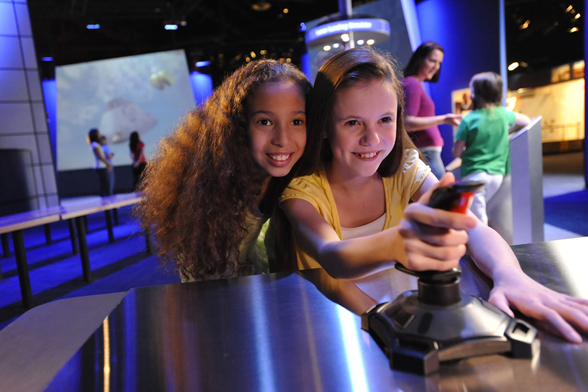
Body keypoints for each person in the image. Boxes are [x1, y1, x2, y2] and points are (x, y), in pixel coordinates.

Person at [279, 48, 588, 343]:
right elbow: (333, 257)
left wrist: (510, 275)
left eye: (385, 120)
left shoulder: (405, 170)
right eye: (352, 122)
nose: (371, 138)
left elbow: (473, 228)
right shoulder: (303, 192)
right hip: (347, 330)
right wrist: (398, 243)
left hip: (416, 320)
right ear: (323, 127)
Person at [137, 59, 311, 281]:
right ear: (237, 127)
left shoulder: (301, 178)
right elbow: (207, 291)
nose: (282, 139)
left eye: (296, 122)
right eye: (265, 122)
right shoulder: (211, 196)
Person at [453, 72, 531, 225]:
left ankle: (483, 247)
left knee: (476, 221)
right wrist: (504, 132)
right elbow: (526, 121)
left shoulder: (468, 119)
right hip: (497, 176)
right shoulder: (503, 115)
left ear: (475, 93)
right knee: (480, 216)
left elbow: (456, 152)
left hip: (473, 176)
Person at [403, 41, 462, 180]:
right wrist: (444, 119)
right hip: (426, 152)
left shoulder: (415, 84)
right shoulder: (412, 83)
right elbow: (407, 122)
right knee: (440, 197)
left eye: (439, 63)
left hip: (428, 152)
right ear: (419, 59)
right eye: (432, 60)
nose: (436, 67)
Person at [88, 128, 112, 196]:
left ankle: (106, 201)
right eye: (98, 133)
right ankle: (106, 202)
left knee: (105, 184)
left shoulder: (95, 144)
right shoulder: (95, 144)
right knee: (105, 185)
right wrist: (108, 164)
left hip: (101, 166)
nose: (99, 135)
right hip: (100, 166)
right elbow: (100, 157)